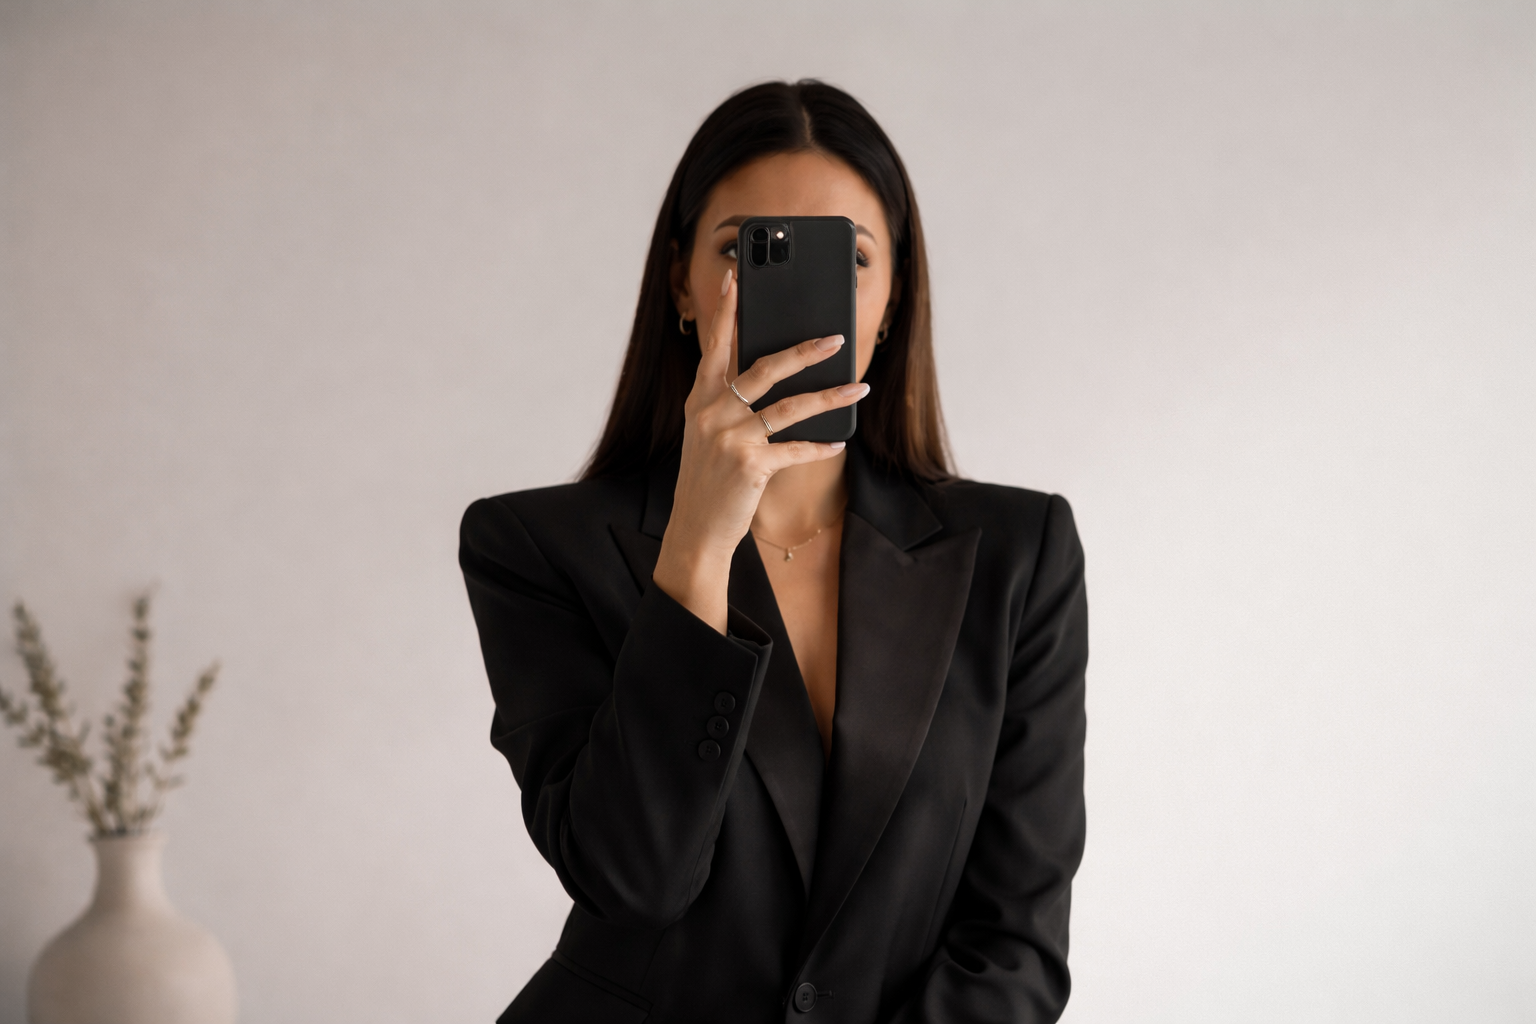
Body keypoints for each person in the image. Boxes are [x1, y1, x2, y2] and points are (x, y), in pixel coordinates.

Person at [460, 79, 1087, 1024]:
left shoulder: (1018, 555)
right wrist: (697, 544)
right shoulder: (532, 547)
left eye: (848, 258)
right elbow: (634, 877)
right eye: (745, 252)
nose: (792, 296)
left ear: (892, 295)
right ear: (681, 282)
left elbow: (1015, 949)